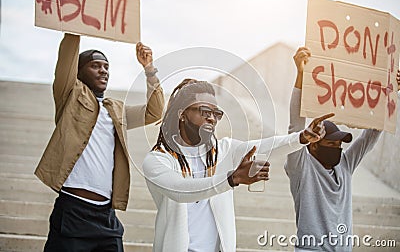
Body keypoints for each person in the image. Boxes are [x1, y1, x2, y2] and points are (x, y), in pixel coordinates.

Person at [142, 78, 333, 252]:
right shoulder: (158, 160)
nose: (212, 118)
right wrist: (232, 179)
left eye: (216, 113)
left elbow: (266, 145)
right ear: (182, 114)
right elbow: (180, 190)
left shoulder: (223, 150)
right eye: (204, 111)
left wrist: (301, 137)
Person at [34, 33, 165, 251]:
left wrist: (149, 69)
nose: (103, 70)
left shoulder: (116, 109)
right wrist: (73, 30)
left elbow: (155, 112)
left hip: (106, 216)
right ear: (79, 71)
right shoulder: (70, 95)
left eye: (106, 66)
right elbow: (66, 59)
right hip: (72, 211)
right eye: (95, 66)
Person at [285, 47, 385, 251]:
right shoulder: (301, 167)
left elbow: (371, 135)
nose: (337, 149)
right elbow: (295, 128)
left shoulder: (345, 165)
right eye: (331, 144)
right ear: (313, 145)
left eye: (339, 145)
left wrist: (390, 94)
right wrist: (301, 75)